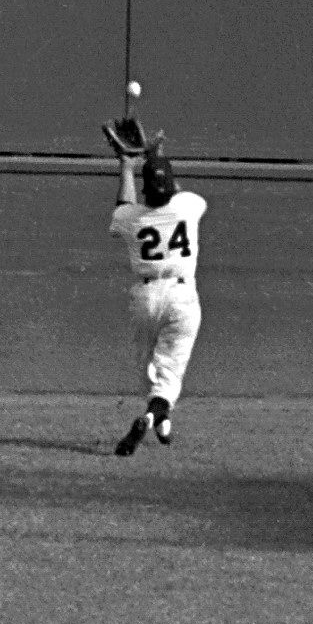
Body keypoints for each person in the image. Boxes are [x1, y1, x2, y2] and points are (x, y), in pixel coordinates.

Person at [104, 121, 204, 458]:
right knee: (170, 372)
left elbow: (123, 205)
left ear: (146, 191)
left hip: (146, 297)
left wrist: (126, 166)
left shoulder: (133, 219)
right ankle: (153, 416)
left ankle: (160, 421)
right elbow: (170, 188)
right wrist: (155, 154)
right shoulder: (189, 206)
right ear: (173, 185)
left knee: (148, 366)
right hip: (182, 296)